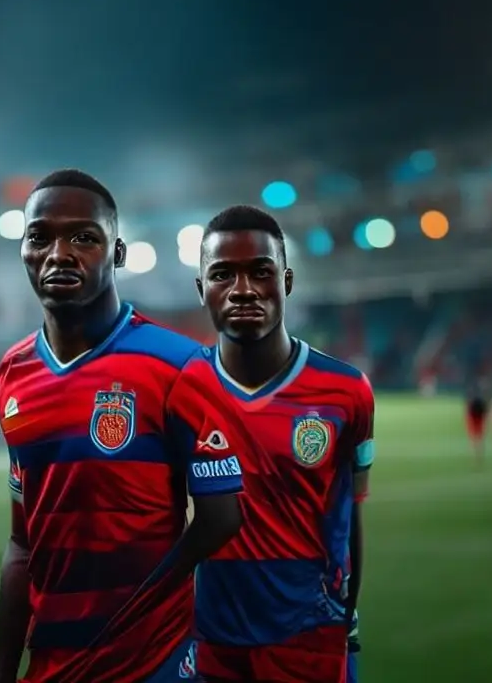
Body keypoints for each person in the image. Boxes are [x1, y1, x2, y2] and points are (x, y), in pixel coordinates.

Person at [0, 170, 244, 683]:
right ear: (22, 250)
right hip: (53, 665)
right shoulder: (14, 373)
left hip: (152, 663)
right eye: (40, 237)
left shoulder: (178, 366)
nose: (58, 253)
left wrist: (150, 600)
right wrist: (3, 675)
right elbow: (22, 543)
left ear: (119, 253)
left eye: (84, 237)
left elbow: (222, 517)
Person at [188, 205, 373, 683]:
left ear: (286, 281)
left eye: (260, 272)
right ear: (201, 289)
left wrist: (346, 613)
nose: (243, 289)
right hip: (212, 639)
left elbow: (351, 512)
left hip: (311, 635)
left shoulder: (347, 391)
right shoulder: (179, 389)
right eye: (222, 274)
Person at [466, 389, 488, 468]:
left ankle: (474, 458)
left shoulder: (472, 402)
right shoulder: (481, 401)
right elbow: (485, 412)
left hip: (474, 419)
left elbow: (468, 412)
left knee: (473, 440)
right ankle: (478, 457)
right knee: (479, 440)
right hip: (479, 419)